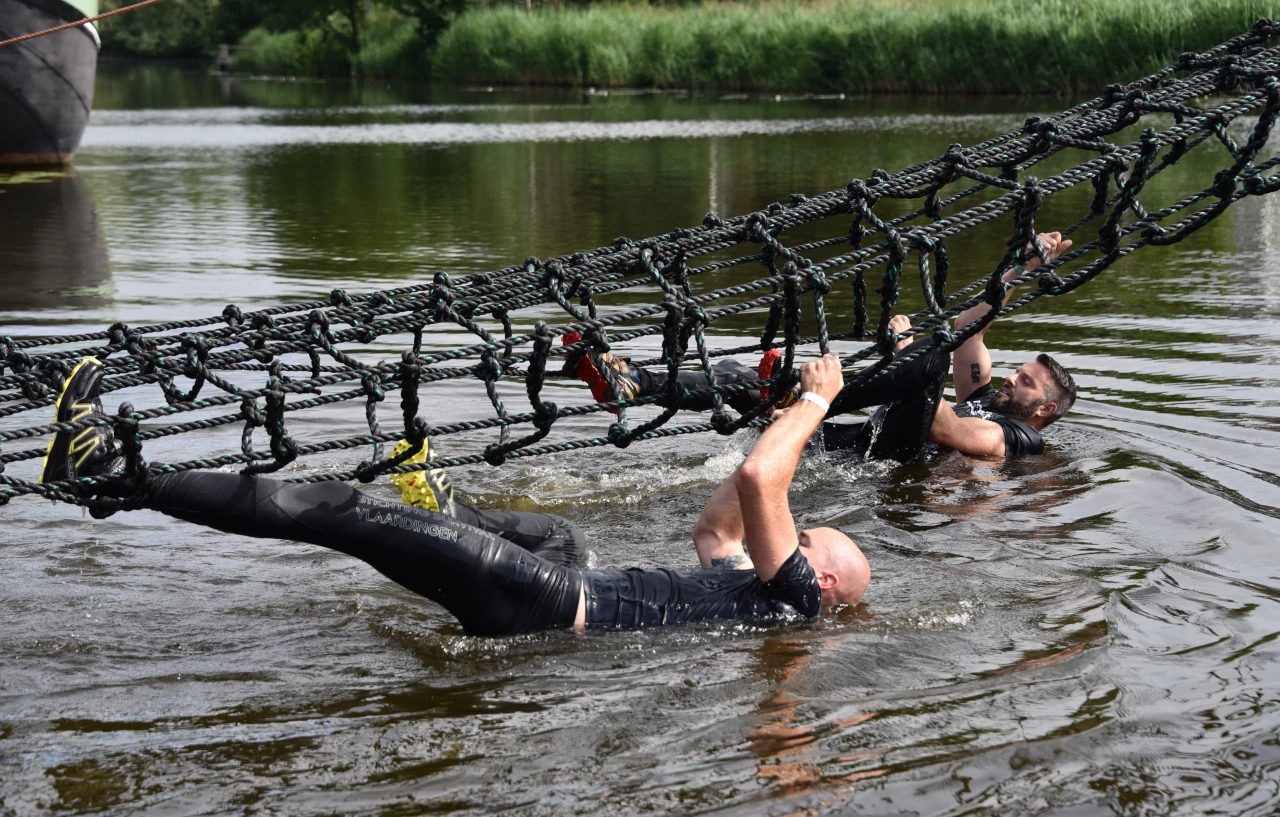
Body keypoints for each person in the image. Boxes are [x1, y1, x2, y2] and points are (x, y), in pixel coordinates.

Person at [39, 354, 870, 637]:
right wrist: (770, 410)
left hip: (545, 609)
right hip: (569, 580)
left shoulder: (791, 598)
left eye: (814, 538)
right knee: (565, 532)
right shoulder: (751, 582)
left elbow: (768, 478)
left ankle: (114, 475)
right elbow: (728, 508)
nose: (802, 534)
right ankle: (444, 508)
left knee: (347, 513)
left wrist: (815, 405)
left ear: (821, 578)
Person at [566, 233, 1078, 463]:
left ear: (1045, 409)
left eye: (1026, 381)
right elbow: (972, 328)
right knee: (745, 383)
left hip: (898, 460)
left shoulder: (1019, 441)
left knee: (931, 357)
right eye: (1019, 372)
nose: (1012, 377)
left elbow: (951, 430)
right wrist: (1021, 268)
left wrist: (901, 352)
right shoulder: (989, 393)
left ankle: (807, 399)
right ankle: (631, 382)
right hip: (853, 443)